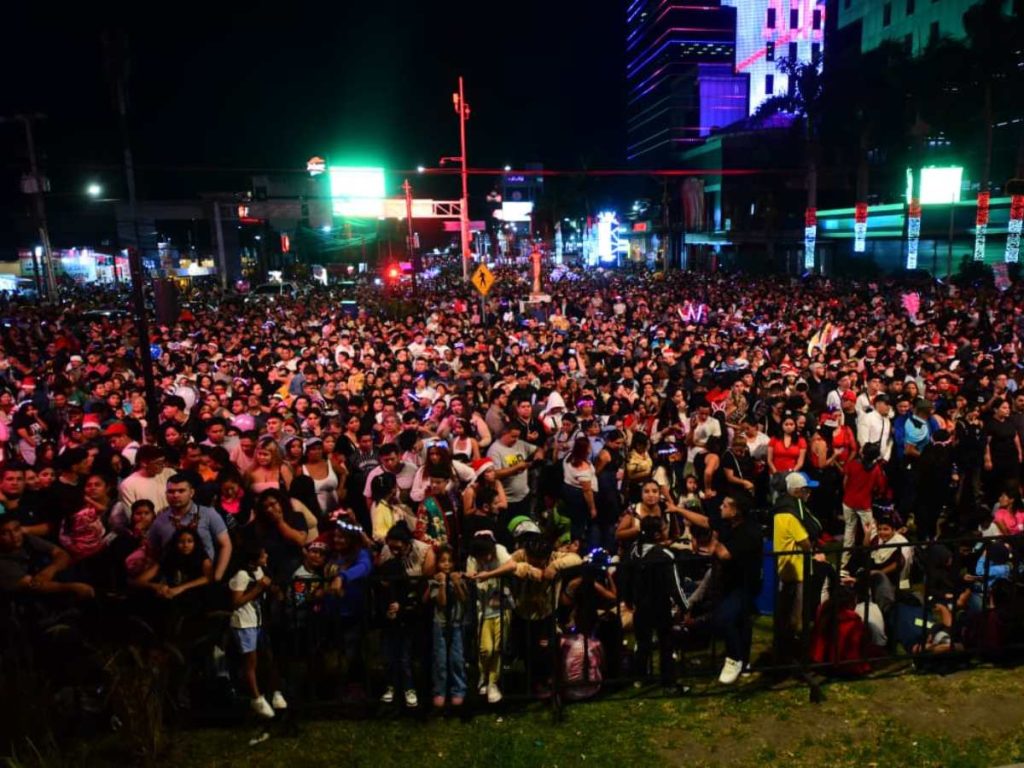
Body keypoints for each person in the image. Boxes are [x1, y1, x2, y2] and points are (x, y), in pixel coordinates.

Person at [228, 543, 286, 719]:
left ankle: (274, 692)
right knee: (250, 661)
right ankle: (256, 698)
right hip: (244, 623)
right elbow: (236, 601)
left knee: (267, 656)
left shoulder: (259, 571)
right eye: (262, 555)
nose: (266, 556)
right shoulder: (242, 575)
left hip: (258, 621)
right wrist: (258, 589)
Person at [148, 474, 233, 581]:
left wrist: (218, 575)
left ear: (191, 493)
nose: (175, 495)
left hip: (204, 578)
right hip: (173, 580)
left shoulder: (209, 514)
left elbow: (226, 544)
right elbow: (153, 552)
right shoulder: (160, 520)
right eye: (171, 492)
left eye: (181, 491)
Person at [0, 517, 94, 599]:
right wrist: (72, 588)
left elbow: (61, 554)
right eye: (5, 533)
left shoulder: (27, 539)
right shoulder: (3, 563)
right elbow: (34, 586)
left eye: (16, 529)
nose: (14, 536)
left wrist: (50, 570)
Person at [466, 531, 511, 703]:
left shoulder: (499, 549)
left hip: (502, 606)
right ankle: (482, 677)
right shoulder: (472, 558)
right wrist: (471, 576)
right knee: (486, 649)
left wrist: (488, 574)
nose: (486, 559)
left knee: (498, 648)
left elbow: (511, 565)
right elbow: (470, 574)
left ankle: (493, 682)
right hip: (483, 608)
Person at [429, 544, 470, 708]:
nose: (446, 564)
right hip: (440, 623)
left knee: (456, 658)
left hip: (456, 622)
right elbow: (442, 602)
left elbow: (464, 599)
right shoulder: (435, 580)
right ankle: (440, 690)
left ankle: (458, 690)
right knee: (440, 659)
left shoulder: (458, 578)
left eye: (449, 561)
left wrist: (457, 583)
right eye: (443, 561)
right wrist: (442, 585)